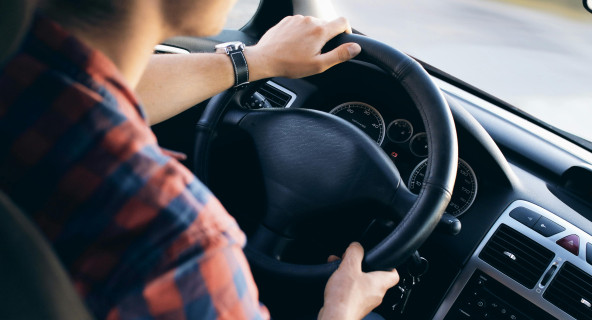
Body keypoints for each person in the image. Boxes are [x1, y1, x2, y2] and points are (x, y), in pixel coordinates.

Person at [0, 0, 400, 319]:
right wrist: (341, 310)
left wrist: (256, 60)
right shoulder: (176, 242)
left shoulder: (19, 69)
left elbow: (99, 89)